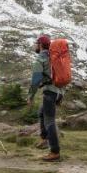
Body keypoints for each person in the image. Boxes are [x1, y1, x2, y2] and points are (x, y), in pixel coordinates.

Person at [28, 34, 61, 162]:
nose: (35, 46)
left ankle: (54, 151)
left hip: (49, 93)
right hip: (57, 91)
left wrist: (30, 96)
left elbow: (35, 80)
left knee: (49, 121)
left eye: (36, 43)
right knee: (42, 112)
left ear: (40, 45)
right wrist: (61, 94)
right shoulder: (53, 57)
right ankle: (44, 138)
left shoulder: (40, 59)